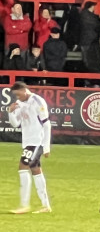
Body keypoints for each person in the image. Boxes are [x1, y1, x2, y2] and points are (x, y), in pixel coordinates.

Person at [7, 81, 52, 214]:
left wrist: (46, 146)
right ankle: (46, 206)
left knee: (22, 166)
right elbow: (15, 124)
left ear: (24, 90)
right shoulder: (19, 104)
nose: (17, 97)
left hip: (37, 141)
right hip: (27, 142)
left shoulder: (37, 101)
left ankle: (24, 204)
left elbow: (46, 124)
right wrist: (10, 112)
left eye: (18, 94)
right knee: (35, 170)